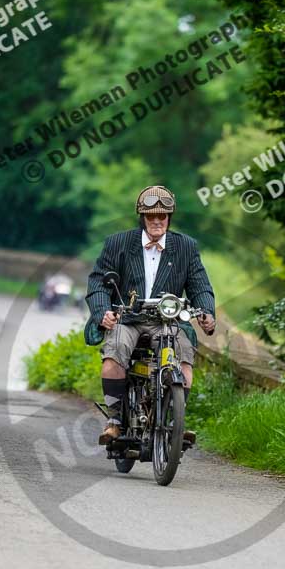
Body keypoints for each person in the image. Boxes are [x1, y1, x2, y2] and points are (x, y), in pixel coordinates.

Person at [84, 185, 216, 445]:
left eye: (162, 216)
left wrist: (206, 313)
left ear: (169, 217)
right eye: (151, 216)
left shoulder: (186, 247)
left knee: (185, 359)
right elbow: (98, 282)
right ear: (142, 217)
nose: (157, 221)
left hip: (167, 321)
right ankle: (115, 421)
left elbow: (200, 285)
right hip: (128, 318)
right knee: (114, 353)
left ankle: (176, 422)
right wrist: (103, 313)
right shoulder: (118, 243)